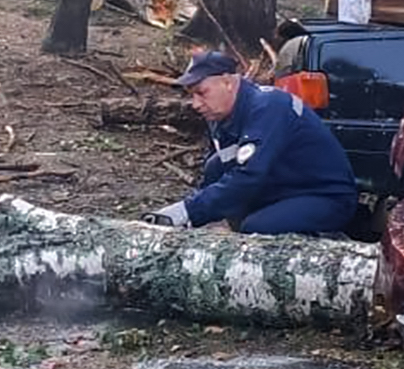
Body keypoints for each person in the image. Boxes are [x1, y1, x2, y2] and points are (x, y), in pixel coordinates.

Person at [142, 51, 359, 236]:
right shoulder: (220, 116)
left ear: (227, 82)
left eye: (201, 93)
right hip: (281, 189)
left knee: (257, 229)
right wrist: (189, 221)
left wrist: (185, 212)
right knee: (215, 166)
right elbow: (219, 173)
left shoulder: (268, 107)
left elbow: (249, 176)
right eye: (191, 96)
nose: (195, 104)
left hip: (324, 196)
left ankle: (324, 247)